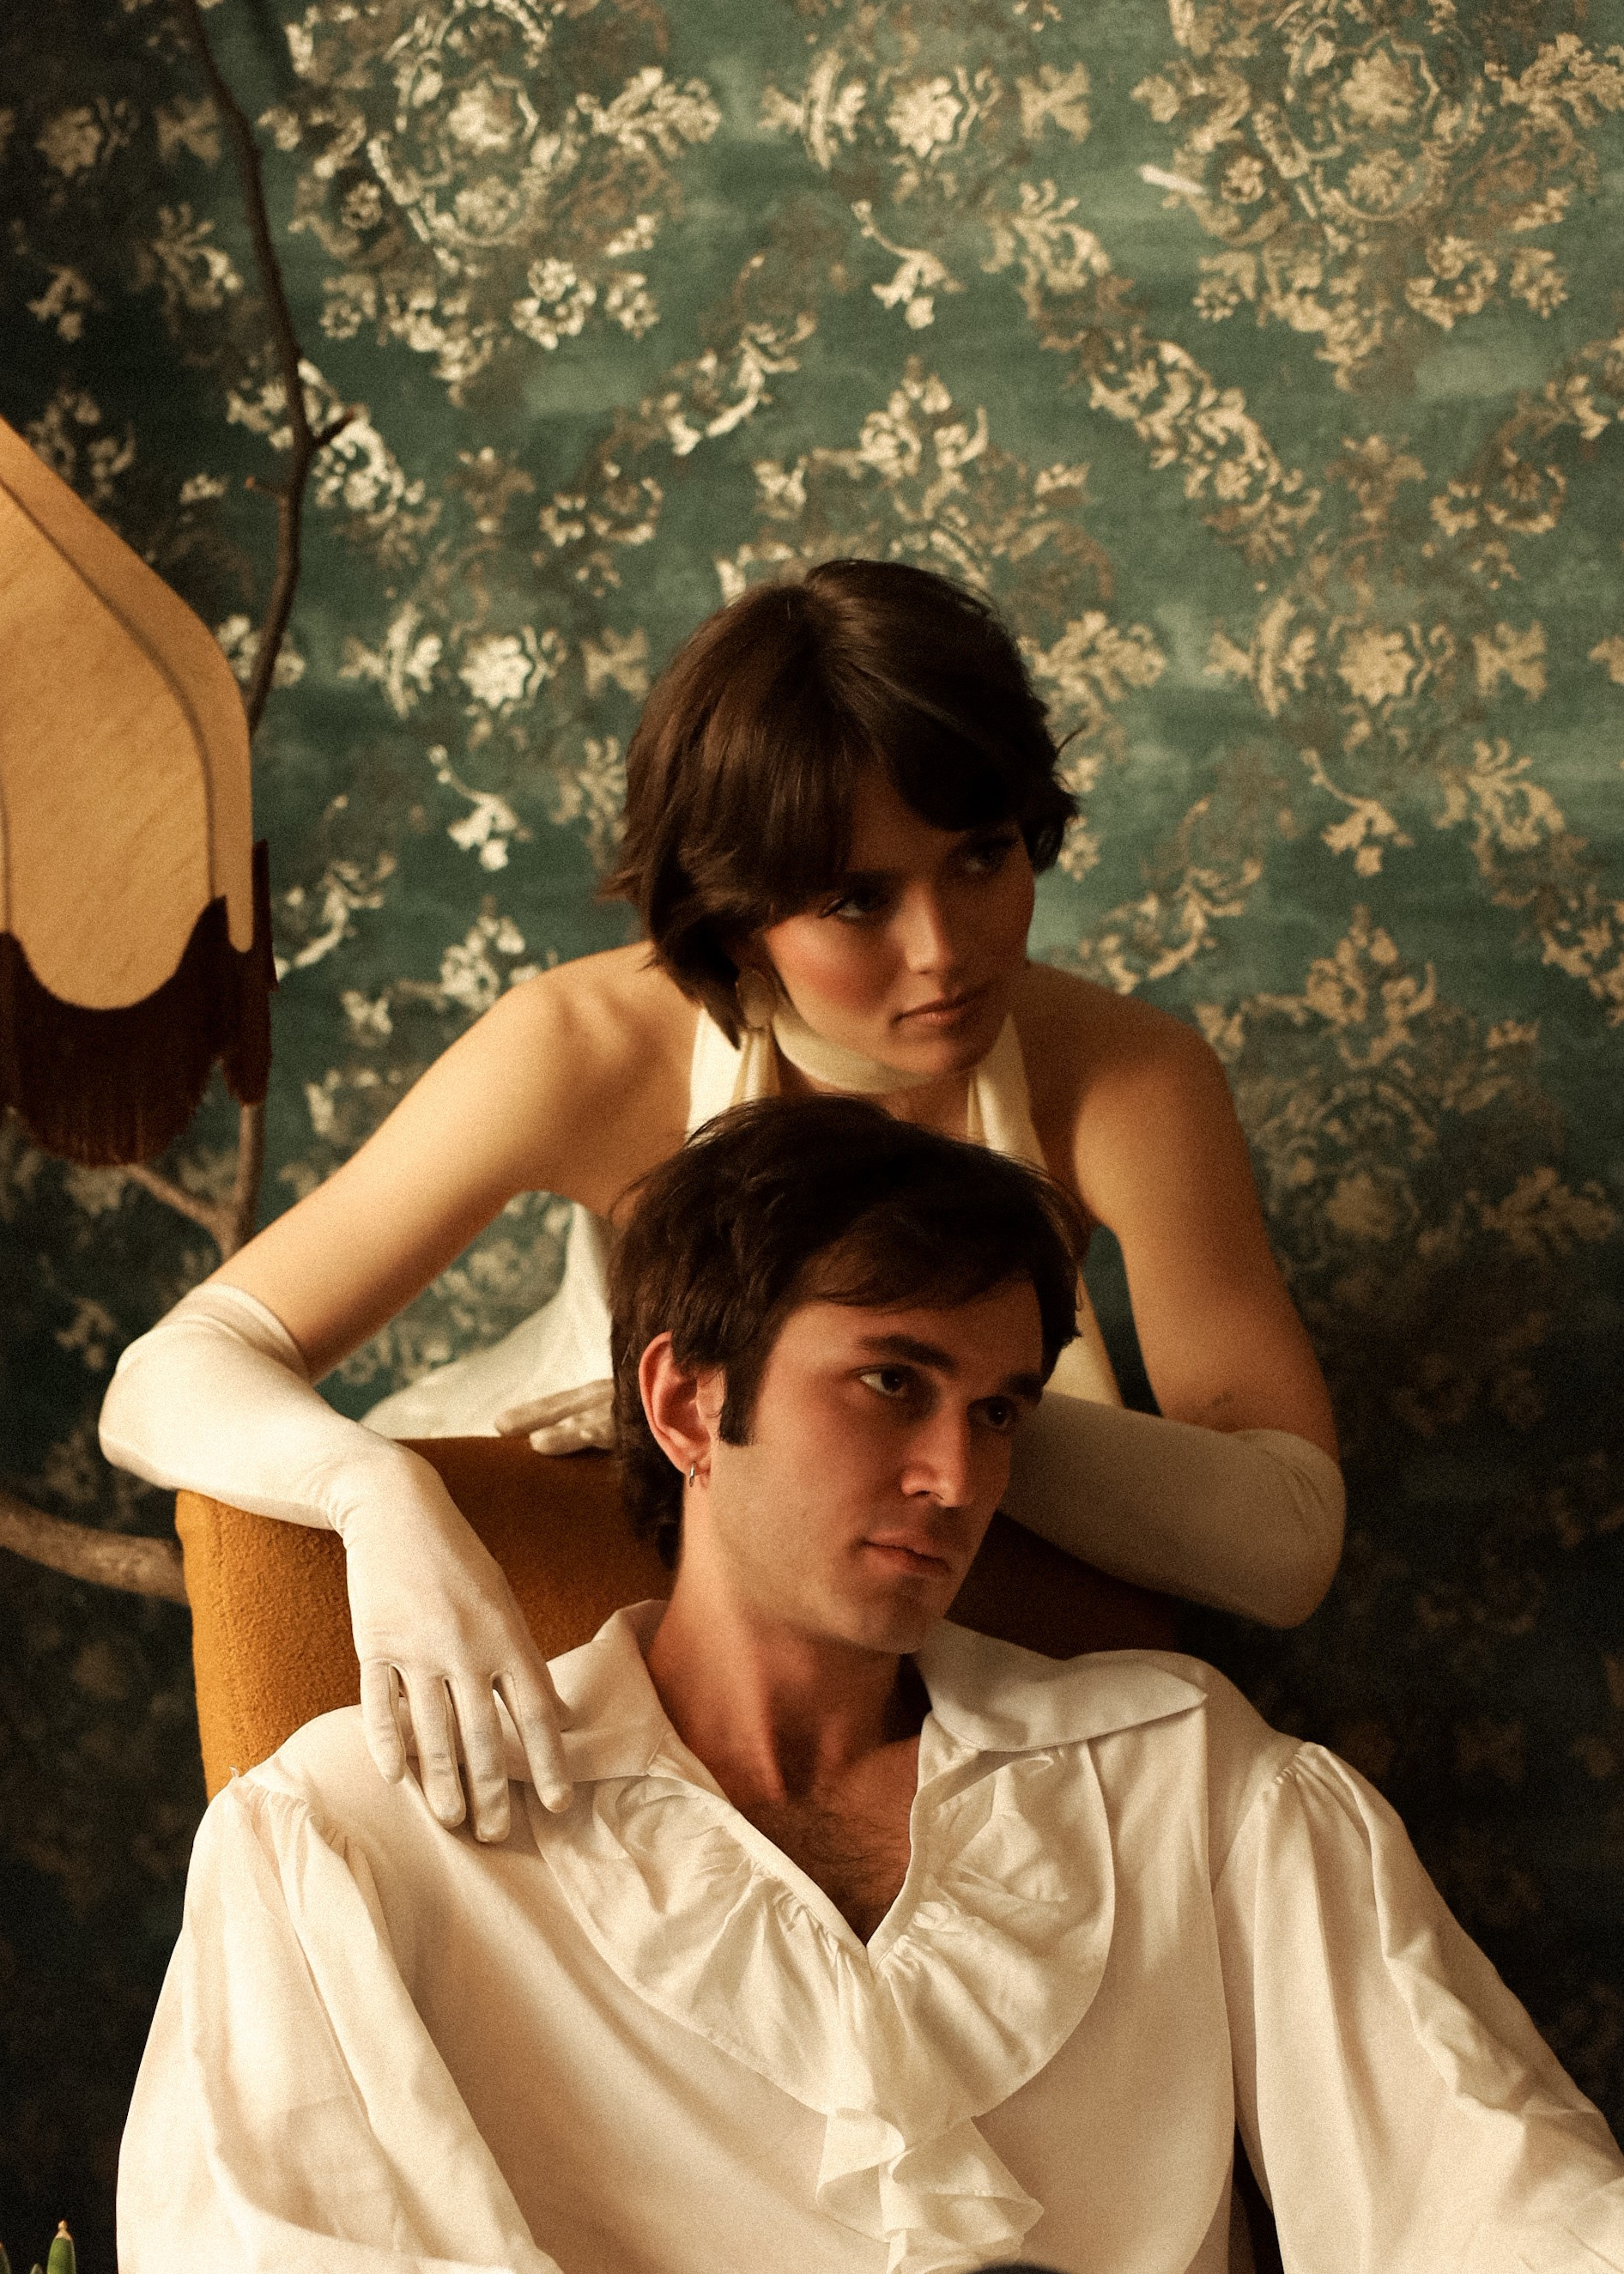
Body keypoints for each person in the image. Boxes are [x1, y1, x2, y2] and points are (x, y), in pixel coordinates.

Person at [117, 1099, 1624, 2274]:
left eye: (1001, 1410)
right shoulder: (351, 1837)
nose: (958, 1477)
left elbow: (1499, 2188)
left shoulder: (1186, 1775)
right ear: (687, 1400)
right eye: (891, 1381)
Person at [99, 558, 1345, 1845]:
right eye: (857, 899)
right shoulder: (584, 1046)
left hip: (944, 1622)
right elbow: (167, 1374)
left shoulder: (1128, 1078)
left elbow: (1290, 1539)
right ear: (738, 916)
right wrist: (381, 1495)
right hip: (556, 1575)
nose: (947, 948)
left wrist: (929, 1413)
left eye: (983, 856)